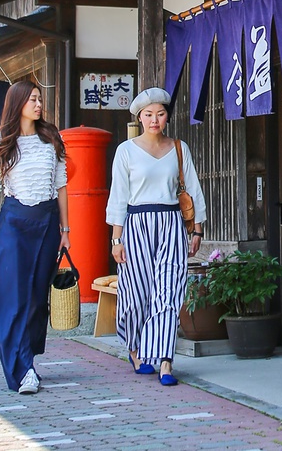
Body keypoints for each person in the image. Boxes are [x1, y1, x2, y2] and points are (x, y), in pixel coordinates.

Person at [106, 87, 206, 386]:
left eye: (160, 114)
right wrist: (116, 239)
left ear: (167, 117)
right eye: (148, 115)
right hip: (136, 223)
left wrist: (197, 228)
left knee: (169, 291)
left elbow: (194, 189)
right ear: (139, 117)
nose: (154, 119)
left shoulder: (179, 148)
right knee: (135, 294)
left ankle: (165, 361)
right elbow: (119, 196)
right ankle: (136, 351)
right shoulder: (126, 150)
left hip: (172, 222)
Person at [0, 79, 69, 395]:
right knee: (12, 298)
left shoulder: (51, 138)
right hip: (14, 224)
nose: (38, 104)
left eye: (40, 99)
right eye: (32, 99)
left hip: (47, 222)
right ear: (17, 103)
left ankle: (28, 360)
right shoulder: (0, 142)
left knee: (35, 299)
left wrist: (66, 230)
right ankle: (21, 370)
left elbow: (61, 185)